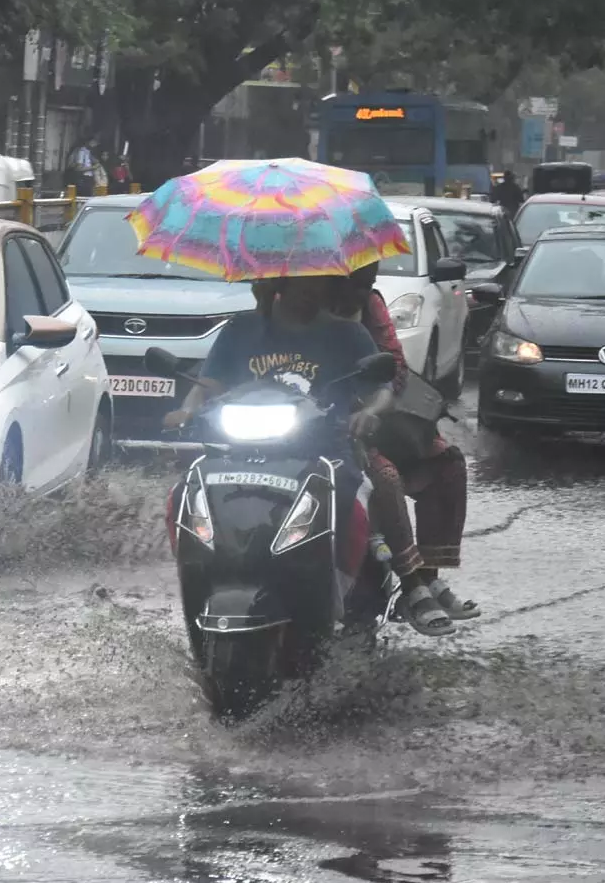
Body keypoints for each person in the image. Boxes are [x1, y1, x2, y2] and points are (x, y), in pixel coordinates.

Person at [163, 275, 393, 582]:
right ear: (278, 283)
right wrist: (186, 410)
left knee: (349, 496)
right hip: (238, 449)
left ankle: (341, 585)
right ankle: (200, 574)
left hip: (324, 450)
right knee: (185, 493)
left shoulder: (348, 334)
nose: (310, 290)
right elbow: (207, 385)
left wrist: (369, 411)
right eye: (302, 282)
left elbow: (381, 389)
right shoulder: (240, 330)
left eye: (318, 282)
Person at [330, 263, 480, 635]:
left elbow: (394, 366)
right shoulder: (288, 316)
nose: (362, 290)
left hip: (373, 418)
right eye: (355, 281)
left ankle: (428, 576)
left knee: (448, 463)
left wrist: (370, 404)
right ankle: (411, 583)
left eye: (368, 282)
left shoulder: (368, 307)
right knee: (383, 475)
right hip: (324, 429)